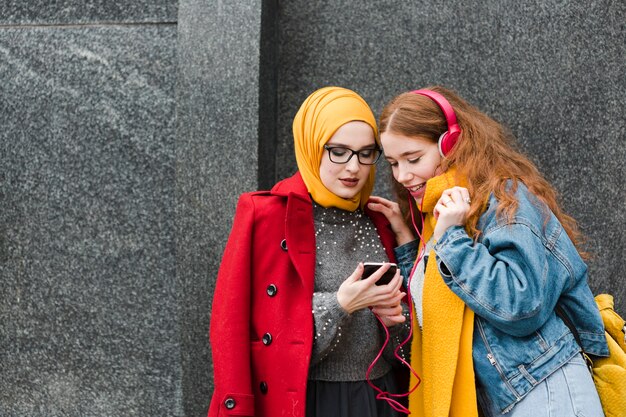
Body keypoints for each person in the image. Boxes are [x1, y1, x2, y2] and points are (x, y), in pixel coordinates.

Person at [367, 86, 609, 416]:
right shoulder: (437, 215)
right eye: (394, 163)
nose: (403, 175)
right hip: (504, 398)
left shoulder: (504, 199)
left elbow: (521, 305)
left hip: (544, 389)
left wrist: (451, 238)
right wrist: (410, 243)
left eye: (413, 159)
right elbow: (436, 304)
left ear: (450, 144)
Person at [208, 86, 411, 417]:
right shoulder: (268, 216)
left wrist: (395, 322)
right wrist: (341, 304)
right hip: (307, 401)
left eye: (365, 153)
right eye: (338, 151)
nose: (353, 167)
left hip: (381, 398)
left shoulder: (381, 219)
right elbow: (231, 328)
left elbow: (409, 339)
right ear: (312, 147)